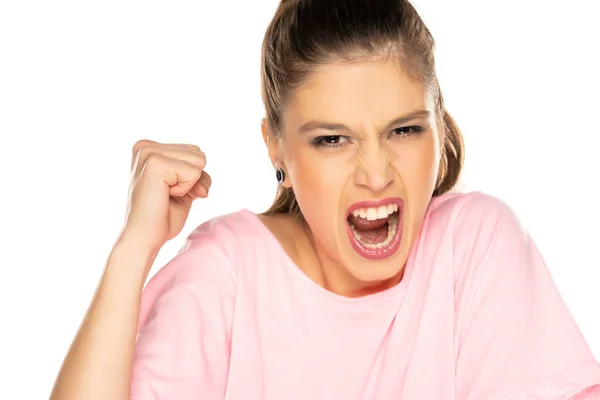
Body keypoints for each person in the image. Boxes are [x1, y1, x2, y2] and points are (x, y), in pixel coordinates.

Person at [50, 0, 600, 399]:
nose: (377, 174)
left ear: (439, 124)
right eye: (332, 139)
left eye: (404, 130)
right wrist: (132, 251)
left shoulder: (474, 244)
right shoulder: (229, 271)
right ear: (277, 148)